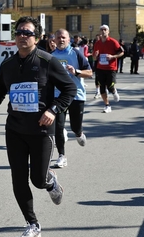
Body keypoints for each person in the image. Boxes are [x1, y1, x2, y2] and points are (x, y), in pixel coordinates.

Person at [0, 16, 77, 237]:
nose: (23, 36)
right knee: (18, 178)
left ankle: (50, 181)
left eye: (28, 33)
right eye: (19, 32)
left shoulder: (48, 61)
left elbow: (69, 89)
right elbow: (0, 89)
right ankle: (32, 224)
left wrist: (53, 110)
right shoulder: (8, 65)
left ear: (36, 37)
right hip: (15, 129)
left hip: (42, 131)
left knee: (37, 179)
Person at [51, 28, 92, 168]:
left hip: (76, 95)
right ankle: (62, 156)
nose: (61, 40)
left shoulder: (76, 53)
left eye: (63, 37)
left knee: (75, 126)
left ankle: (79, 133)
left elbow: (90, 73)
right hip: (58, 96)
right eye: (58, 38)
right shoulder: (50, 56)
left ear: (69, 40)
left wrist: (76, 72)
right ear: (54, 40)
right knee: (58, 126)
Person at [93, 24, 123, 113]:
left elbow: (122, 53)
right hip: (100, 68)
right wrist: (95, 55)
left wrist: (112, 56)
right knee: (102, 87)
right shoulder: (97, 43)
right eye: (101, 30)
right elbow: (94, 57)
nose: (103, 31)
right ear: (99, 32)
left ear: (108, 31)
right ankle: (107, 105)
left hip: (111, 68)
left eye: (105, 29)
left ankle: (113, 91)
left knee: (110, 85)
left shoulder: (113, 42)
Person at [93, 34, 101, 99]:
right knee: (97, 78)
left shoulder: (105, 44)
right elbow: (94, 57)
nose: (97, 40)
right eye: (96, 39)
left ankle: (105, 90)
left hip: (105, 64)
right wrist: (95, 56)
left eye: (98, 38)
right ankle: (97, 92)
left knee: (105, 79)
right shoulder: (95, 45)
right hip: (97, 63)